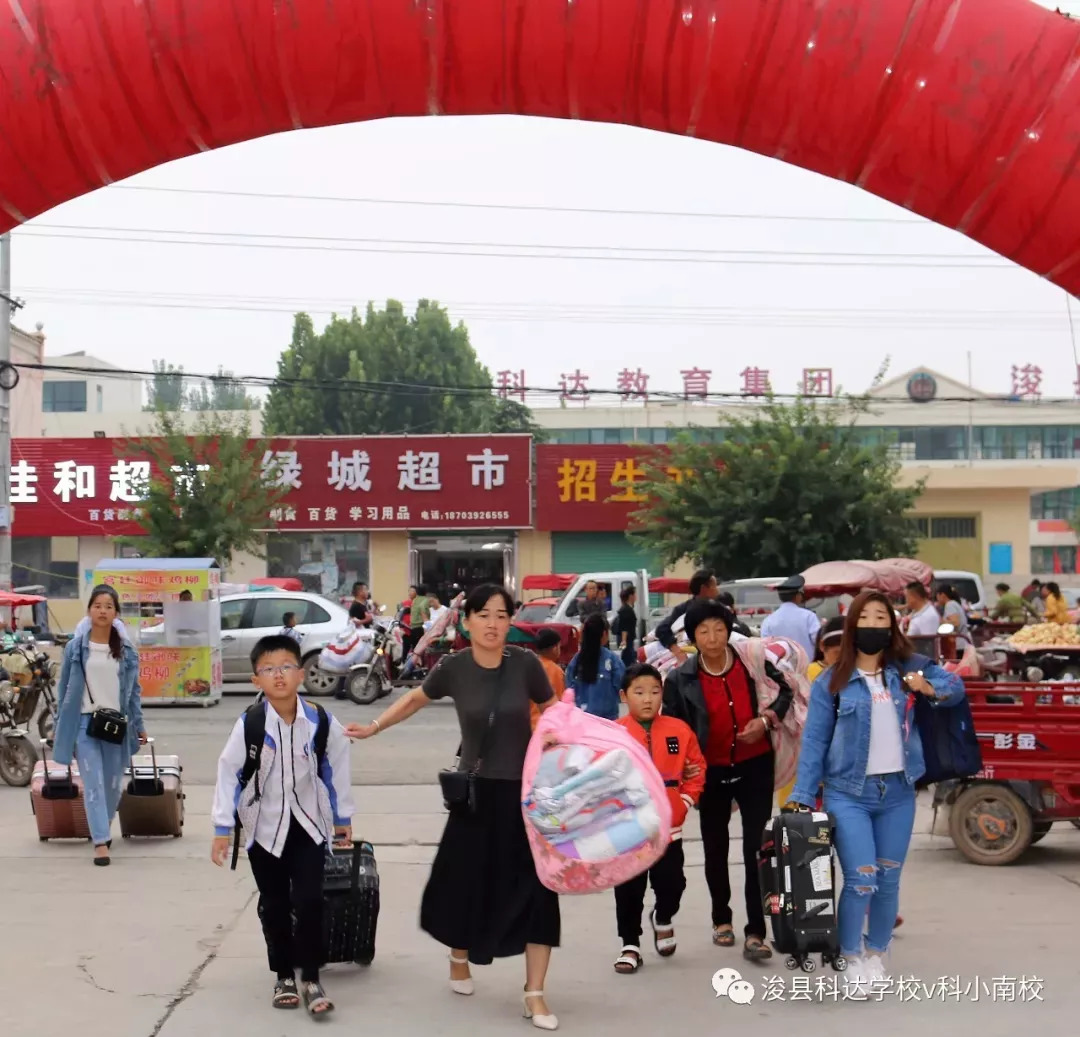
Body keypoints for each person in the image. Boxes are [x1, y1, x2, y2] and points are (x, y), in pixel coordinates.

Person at [344, 585, 561, 1030]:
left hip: (526, 796)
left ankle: (534, 994)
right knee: (464, 883)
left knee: (540, 892)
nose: (493, 624)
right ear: (467, 621)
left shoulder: (526, 665)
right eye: (484, 615)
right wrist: (375, 726)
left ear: (511, 622)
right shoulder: (454, 668)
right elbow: (415, 699)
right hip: (476, 795)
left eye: (502, 616)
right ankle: (459, 953)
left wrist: (561, 739)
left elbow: (554, 710)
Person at [787, 591, 965, 996]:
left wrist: (928, 687)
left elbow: (954, 687)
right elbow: (814, 741)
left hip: (899, 792)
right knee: (862, 879)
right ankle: (850, 958)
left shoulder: (906, 670)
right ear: (852, 628)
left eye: (880, 617)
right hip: (848, 793)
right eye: (864, 617)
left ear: (892, 625)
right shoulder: (831, 682)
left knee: (888, 881)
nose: (872, 624)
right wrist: (801, 793)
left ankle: (876, 955)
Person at [210, 634, 355, 1017]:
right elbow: (228, 773)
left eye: (287, 667)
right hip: (263, 831)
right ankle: (282, 975)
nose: (279, 676)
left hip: (308, 827)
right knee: (274, 904)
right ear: (256, 679)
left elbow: (337, 767)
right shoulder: (250, 725)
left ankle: (310, 976)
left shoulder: (321, 721)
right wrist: (222, 828)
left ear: (301, 674)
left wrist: (342, 820)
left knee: (309, 901)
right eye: (269, 669)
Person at [662, 599, 793, 960]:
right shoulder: (680, 678)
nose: (713, 637)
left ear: (729, 629)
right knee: (715, 847)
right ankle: (722, 919)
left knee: (756, 848)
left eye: (719, 628)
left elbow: (785, 690)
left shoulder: (752, 662)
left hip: (755, 766)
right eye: (703, 631)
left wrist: (766, 721)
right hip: (711, 771)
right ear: (693, 638)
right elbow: (673, 730)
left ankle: (756, 931)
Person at [612, 663, 706, 974]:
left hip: (669, 828)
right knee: (629, 889)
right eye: (639, 692)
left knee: (673, 884)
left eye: (654, 692)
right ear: (624, 696)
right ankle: (630, 944)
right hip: (628, 829)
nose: (648, 699)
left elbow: (697, 768)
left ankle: (663, 917)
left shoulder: (679, 730)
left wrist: (684, 800)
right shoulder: (614, 734)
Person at [52, 585, 148, 866]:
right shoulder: (75, 648)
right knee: (92, 783)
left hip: (116, 725)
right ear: (89, 610)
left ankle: (101, 827)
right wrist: (60, 726)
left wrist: (139, 724)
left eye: (108, 606)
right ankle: (100, 843)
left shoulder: (127, 650)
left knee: (113, 784)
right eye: (97, 605)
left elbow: (133, 693)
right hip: (84, 724)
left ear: (116, 613)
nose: (102, 610)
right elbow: (64, 689)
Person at [565, 613, 626, 721]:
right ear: (604, 634)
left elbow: (569, 689)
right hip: (607, 722)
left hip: (580, 722)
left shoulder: (576, 661)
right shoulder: (612, 660)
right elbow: (622, 686)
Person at [655, 569, 719, 657]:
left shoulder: (718, 609)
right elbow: (661, 629)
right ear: (704, 588)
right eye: (714, 586)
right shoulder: (684, 610)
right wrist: (677, 651)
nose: (717, 590)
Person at [760, 574, 821, 658]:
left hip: (780, 669)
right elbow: (818, 641)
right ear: (797, 596)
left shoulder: (768, 620)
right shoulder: (809, 617)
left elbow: (765, 646)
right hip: (807, 668)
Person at [531, 628, 566, 731]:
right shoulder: (556, 671)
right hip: (548, 726)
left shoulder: (530, 666)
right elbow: (559, 701)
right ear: (555, 648)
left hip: (529, 725)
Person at [934, 585, 972, 650]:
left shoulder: (950, 605)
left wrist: (940, 621)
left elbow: (956, 622)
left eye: (937, 596)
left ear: (942, 595)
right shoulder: (954, 604)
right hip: (962, 644)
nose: (937, 599)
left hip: (958, 645)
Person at [613, 586, 639, 667]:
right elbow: (624, 627)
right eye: (635, 594)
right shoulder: (626, 609)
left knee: (628, 658)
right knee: (627, 660)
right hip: (625, 639)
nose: (636, 596)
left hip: (628, 639)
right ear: (631, 596)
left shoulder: (627, 608)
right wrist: (624, 641)